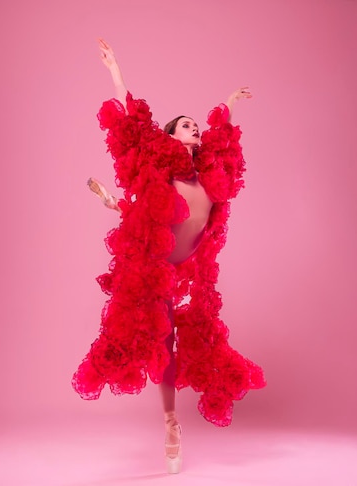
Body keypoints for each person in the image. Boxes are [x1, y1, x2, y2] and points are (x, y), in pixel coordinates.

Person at [72, 38, 266, 474]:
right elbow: (132, 126)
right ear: (171, 136)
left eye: (197, 125)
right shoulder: (162, 170)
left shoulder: (209, 175)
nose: (194, 128)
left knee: (202, 339)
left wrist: (230, 106)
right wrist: (115, 71)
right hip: (155, 270)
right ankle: (171, 423)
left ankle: (173, 421)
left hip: (190, 271)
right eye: (185, 125)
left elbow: (221, 142)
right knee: (160, 341)